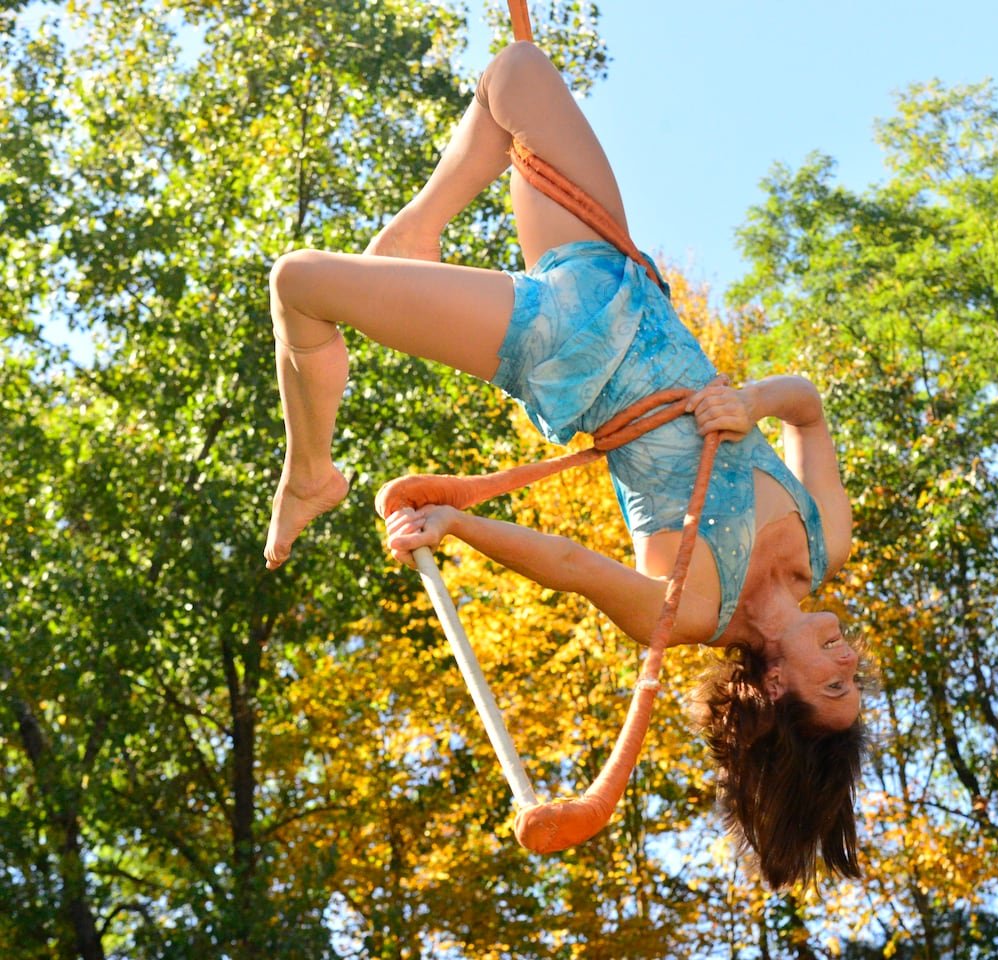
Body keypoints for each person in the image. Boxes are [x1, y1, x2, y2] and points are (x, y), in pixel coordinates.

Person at [262, 39, 865, 888]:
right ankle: (421, 228)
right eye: (857, 679)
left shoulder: (693, 610)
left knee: (300, 284)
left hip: (561, 347)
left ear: (776, 690)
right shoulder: (823, 540)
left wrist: (462, 524)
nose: (848, 663)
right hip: (613, 269)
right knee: (514, 76)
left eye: (833, 687)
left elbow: (574, 569)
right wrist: (751, 401)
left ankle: (309, 476)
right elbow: (805, 401)